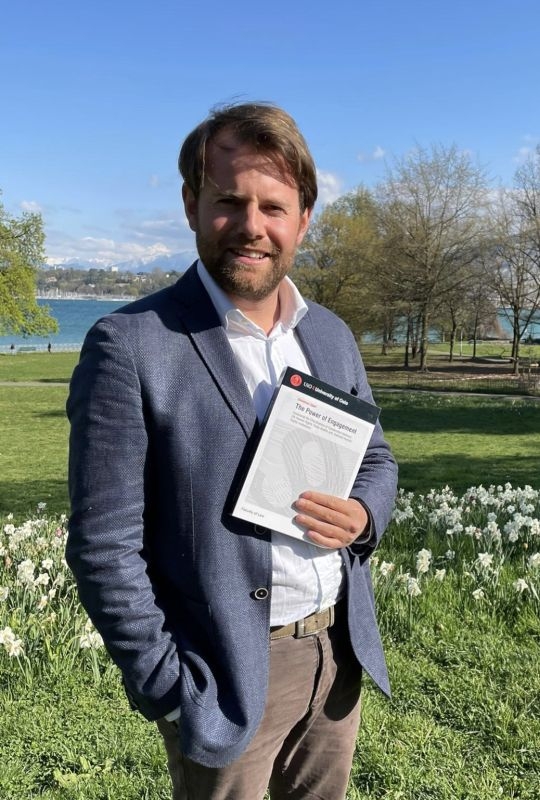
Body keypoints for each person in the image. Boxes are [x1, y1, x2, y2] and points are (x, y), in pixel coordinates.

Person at [66, 102, 398, 800]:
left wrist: (363, 516)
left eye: (274, 206)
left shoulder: (329, 335)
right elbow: (103, 546)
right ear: (192, 204)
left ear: (303, 218)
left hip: (336, 657)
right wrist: (167, 686)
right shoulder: (131, 346)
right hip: (219, 674)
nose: (253, 226)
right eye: (229, 201)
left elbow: (377, 461)